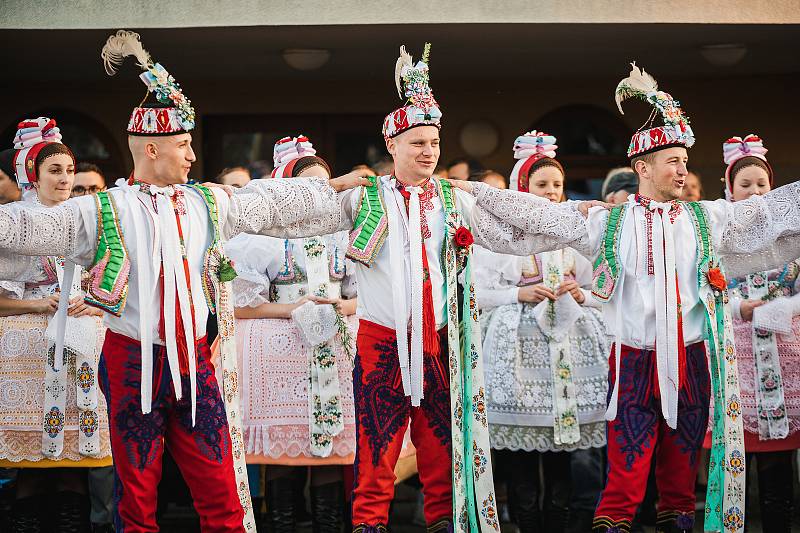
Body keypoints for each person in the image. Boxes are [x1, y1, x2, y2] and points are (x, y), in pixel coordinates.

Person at [0, 31, 368, 533]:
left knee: (220, 489)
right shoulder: (100, 209)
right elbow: (25, 228)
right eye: (183, 145)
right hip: (132, 359)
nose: (193, 154)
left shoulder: (208, 201)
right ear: (151, 149)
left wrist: (330, 190)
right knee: (137, 495)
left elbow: (275, 205)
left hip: (195, 360)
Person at [451, 63, 800, 533]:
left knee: (679, 488)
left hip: (693, 362)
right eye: (673, 160)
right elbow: (536, 217)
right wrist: (469, 192)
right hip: (632, 364)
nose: (682, 169)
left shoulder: (707, 219)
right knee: (624, 481)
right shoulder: (606, 222)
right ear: (643, 167)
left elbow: (771, 212)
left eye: (684, 160)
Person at [475, 131, 609, 533]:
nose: (551, 193)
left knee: (562, 460)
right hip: (518, 359)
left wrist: (580, 293)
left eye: (557, 186)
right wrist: (520, 293)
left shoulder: (576, 235)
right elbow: (476, 292)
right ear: (521, 188)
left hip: (567, 353)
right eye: (541, 185)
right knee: (521, 466)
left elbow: (603, 287)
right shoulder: (500, 237)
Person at [225, 135, 358, 532]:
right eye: (308, 188)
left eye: (325, 185)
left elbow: (363, 295)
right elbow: (239, 304)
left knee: (330, 455)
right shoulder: (261, 236)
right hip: (279, 349)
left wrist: (341, 307)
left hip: (334, 348)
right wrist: (292, 309)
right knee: (284, 460)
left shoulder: (344, 233)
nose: (320, 195)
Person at [0, 118, 109, 532]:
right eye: (55, 171)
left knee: (75, 464)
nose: (65, 179)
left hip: (84, 344)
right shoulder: (13, 220)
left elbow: (118, 285)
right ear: (32, 174)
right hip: (27, 350)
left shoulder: (92, 219)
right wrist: (35, 303)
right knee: (32, 467)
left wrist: (99, 305)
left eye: (68, 170)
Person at [716, 134, 800, 531]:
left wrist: (782, 307)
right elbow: (699, 291)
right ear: (729, 189)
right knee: (734, 456)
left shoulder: (790, 234)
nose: (753, 192)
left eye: (761, 185)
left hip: (785, 356)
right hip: (734, 356)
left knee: (778, 463)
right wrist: (738, 306)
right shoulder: (716, 236)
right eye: (744, 185)